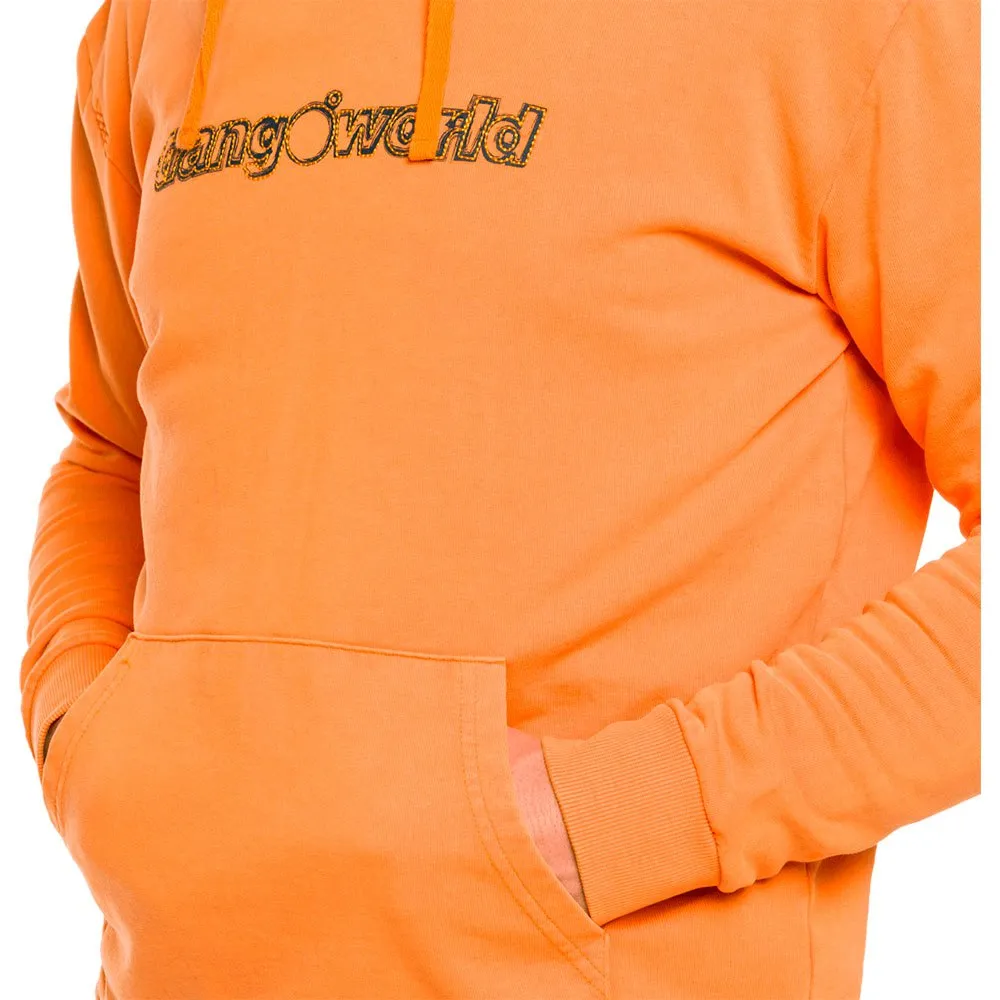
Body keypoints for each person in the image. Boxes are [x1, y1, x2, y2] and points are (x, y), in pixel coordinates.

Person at [19, 0, 980, 997]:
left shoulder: (845, 22)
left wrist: (625, 813)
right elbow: (112, 446)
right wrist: (77, 727)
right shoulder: (151, 22)